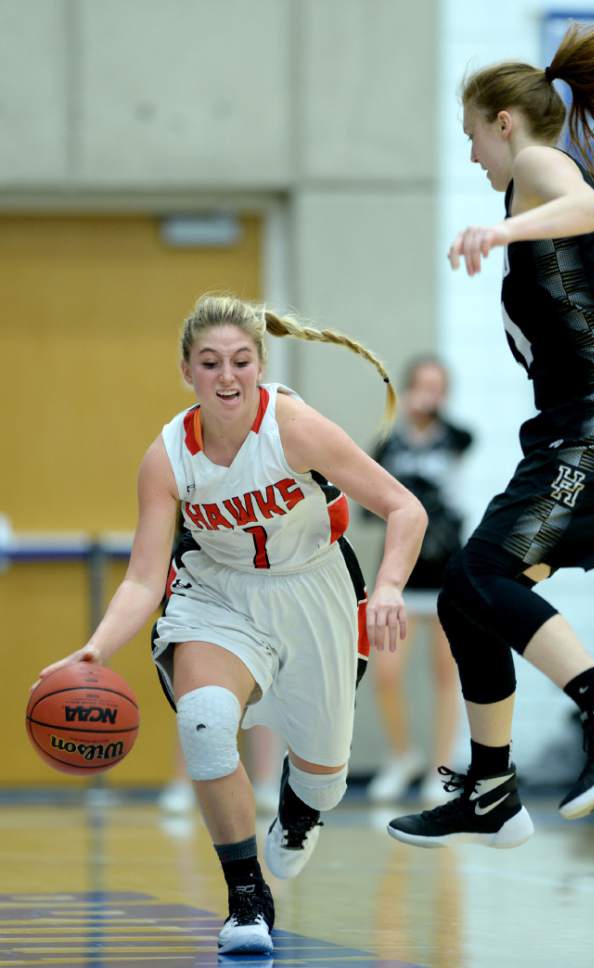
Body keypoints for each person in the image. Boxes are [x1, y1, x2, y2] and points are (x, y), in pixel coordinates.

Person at [33, 294, 427, 956]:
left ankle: (303, 807)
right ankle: (246, 894)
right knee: (206, 725)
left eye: (241, 361)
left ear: (260, 365)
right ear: (187, 371)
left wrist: (387, 586)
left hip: (314, 591)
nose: (227, 376)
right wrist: (95, 650)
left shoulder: (294, 427)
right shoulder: (167, 457)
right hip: (216, 596)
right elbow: (141, 577)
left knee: (326, 775)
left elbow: (403, 508)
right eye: (210, 362)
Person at [388, 6, 594, 850]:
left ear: (503, 123)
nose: (472, 153)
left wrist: (503, 228)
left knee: (480, 574)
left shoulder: (546, 173)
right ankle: (491, 790)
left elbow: (579, 206)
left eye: (473, 135)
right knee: (472, 601)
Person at [365, 356, 473, 803]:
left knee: (446, 675)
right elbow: (372, 503)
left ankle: (440, 767)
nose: (429, 395)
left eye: (437, 388)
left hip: (447, 566)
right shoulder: (389, 441)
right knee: (385, 672)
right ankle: (401, 753)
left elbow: (458, 447)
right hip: (401, 569)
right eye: (422, 386)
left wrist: (433, 414)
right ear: (409, 390)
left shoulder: (458, 438)